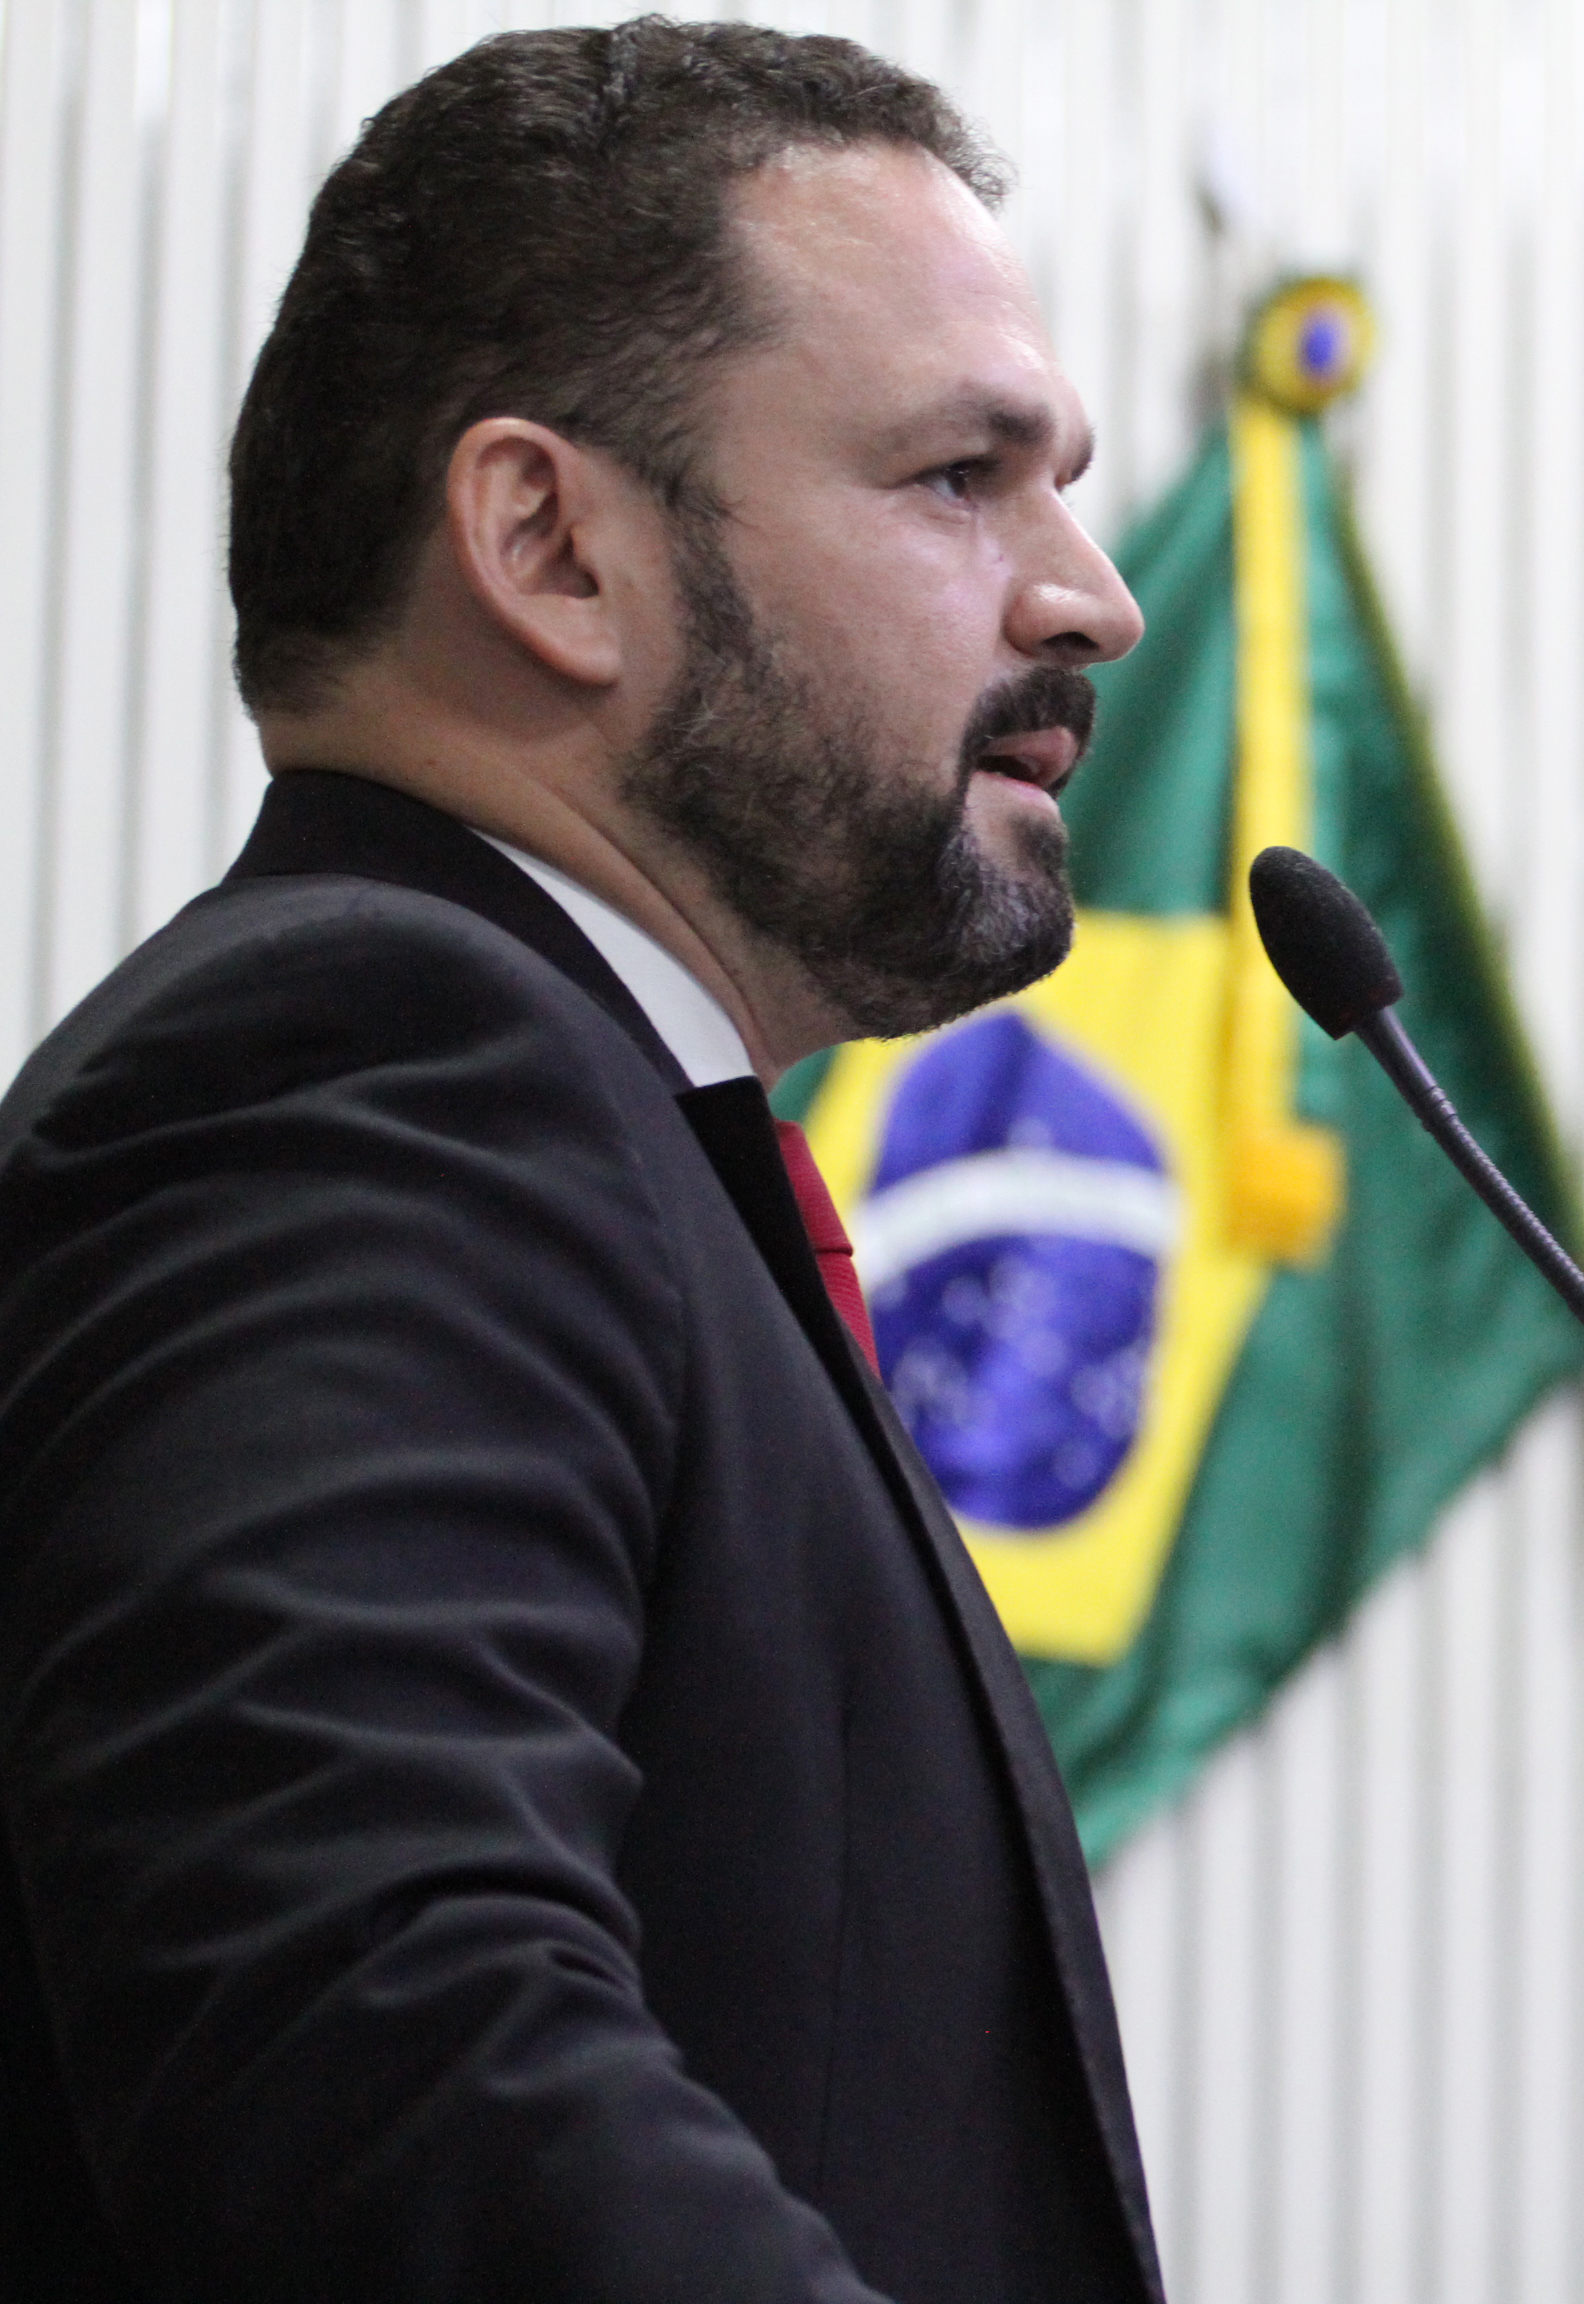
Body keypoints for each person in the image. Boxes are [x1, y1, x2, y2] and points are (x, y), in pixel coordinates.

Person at [0, 23, 1163, 2301]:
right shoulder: (368, 1065)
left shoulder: (583, 1124)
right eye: (961, 476)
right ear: (551, 546)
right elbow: (381, 2041)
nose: (1089, 596)